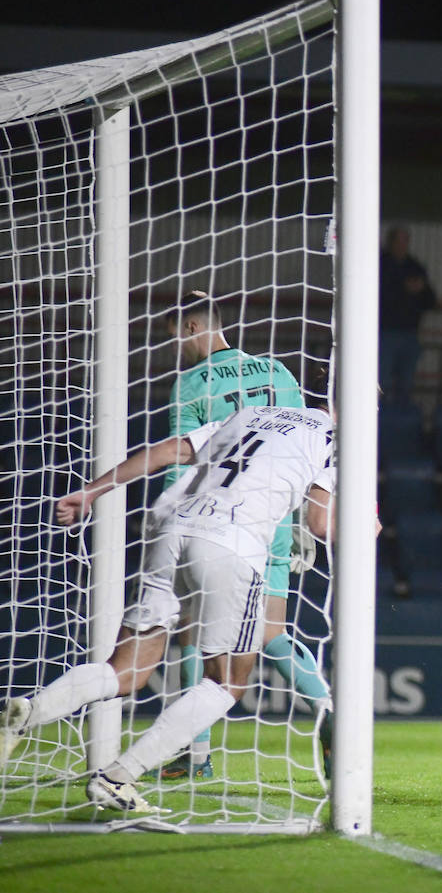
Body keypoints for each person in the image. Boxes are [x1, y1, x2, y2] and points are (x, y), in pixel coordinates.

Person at [0, 397, 340, 813]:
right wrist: (364, 525)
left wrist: (90, 492)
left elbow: (170, 451)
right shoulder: (335, 440)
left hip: (174, 529)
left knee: (126, 669)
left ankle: (28, 711)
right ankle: (116, 778)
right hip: (233, 543)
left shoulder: (255, 413)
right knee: (226, 682)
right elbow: (320, 524)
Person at [157, 292, 333, 780]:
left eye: (175, 336)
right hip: (275, 519)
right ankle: (330, 714)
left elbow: (181, 467)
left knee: (196, 634)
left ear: (191, 329)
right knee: (271, 633)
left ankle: (193, 754)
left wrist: (169, 528)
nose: (176, 347)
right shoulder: (278, 371)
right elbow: (311, 444)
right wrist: (301, 520)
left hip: (220, 519)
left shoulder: (190, 385)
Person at [378, 225, 437, 405]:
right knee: (381, 381)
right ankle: (379, 420)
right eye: (400, 240)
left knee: (406, 383)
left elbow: (431, 301)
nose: (403, 244)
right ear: (391, 242)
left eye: (406, 240)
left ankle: (400, 424)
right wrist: (403, 289)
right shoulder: (379, 264)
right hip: (384, 333)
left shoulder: (415, 267)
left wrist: (421, 290)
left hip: (409, 334)